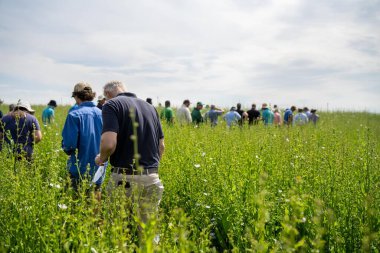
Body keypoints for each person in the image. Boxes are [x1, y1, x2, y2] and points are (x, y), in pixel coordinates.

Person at [95, 80, 165, 223]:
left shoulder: (111, 104)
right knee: (148, 236)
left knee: (117, 233)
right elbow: (161, 146)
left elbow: (108, 144)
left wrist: (101, 158)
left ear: (108, 94)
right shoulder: (151, 107)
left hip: (124, 180)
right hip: (152, 178)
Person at [62, 82, 105, 192]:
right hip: (99, 166)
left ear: (76, 96)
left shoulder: (74, 115)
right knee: (95, 196)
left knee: (76, 200)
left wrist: (65, 147)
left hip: (78, 167)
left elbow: (69, 146)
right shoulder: (103, 114)